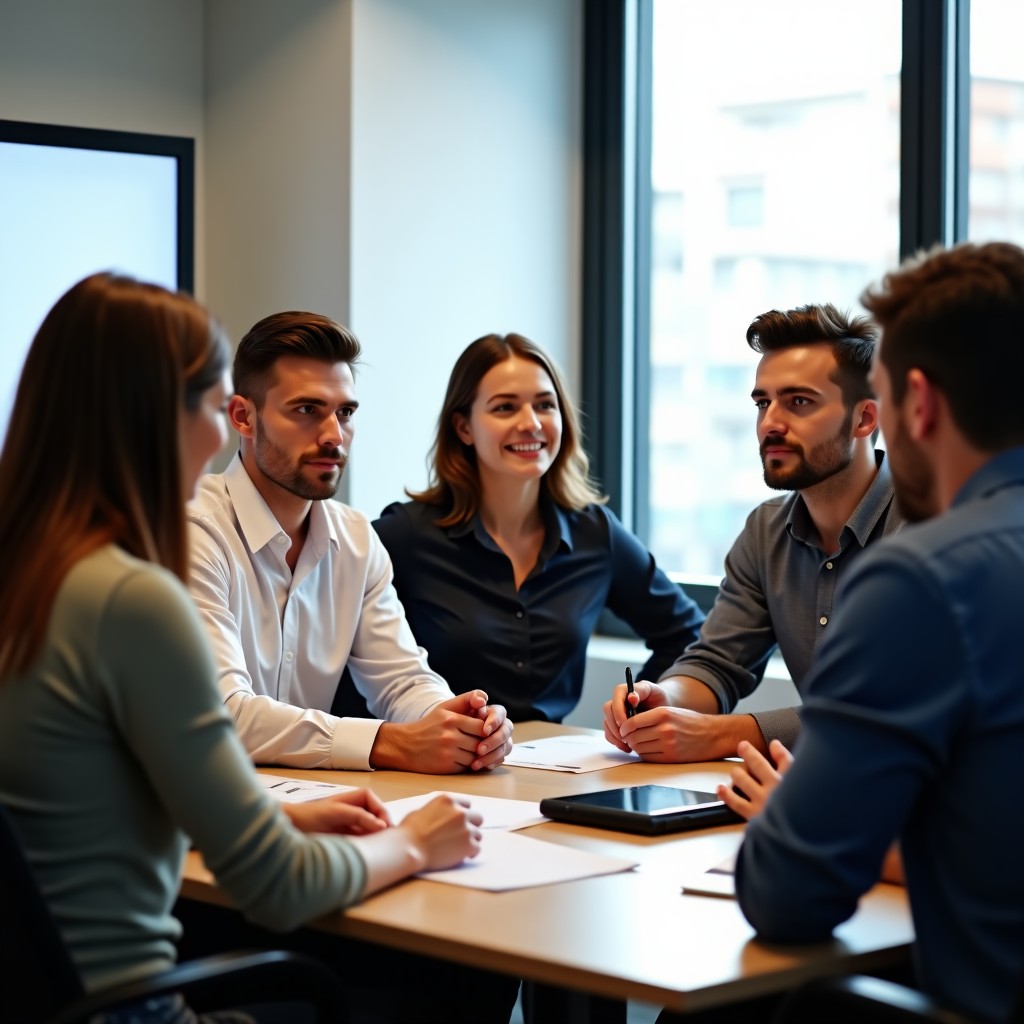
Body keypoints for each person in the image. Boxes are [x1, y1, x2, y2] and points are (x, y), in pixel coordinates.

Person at [0, 273, 488, 1023]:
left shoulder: (34, 574)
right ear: (155, 417)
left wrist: (275, 815)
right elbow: (278, 884)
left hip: (53, 1001)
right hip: (138, 1011)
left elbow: (89, 795)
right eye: (208, 403)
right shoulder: (132, 595)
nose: (214, 439)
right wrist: (419, 843)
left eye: (344, 412)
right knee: (440, 984)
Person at [734, 241, 1024, 1024]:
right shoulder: (770, 532)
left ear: (914, 405)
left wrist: (790, 814)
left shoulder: (925, 578)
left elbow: (789, 890)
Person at [187, 312, 514, 771]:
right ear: (244, 416)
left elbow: (402, 681)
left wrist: (458, 724)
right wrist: (391, 743)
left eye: (345, 413)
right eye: (306, 410)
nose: (333, 436)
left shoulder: (357, 540)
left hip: (306, 799)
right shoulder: (192, 532)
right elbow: (223, 713)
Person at [604, 303, 905, 761]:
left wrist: (722, 735)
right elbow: (718, 663)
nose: (770, 424)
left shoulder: (929, 528)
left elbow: (887, 705)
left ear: (864, 419)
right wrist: (666, 701)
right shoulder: (767, 530)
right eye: (763, 403)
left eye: (799, 402)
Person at [372, 332, 704, 724]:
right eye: (505, 408)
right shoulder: (403, 536)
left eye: (545, 405)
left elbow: (688, 635)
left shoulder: (595, 533)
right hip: (435, 760)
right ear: (463, 427)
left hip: (552, 759)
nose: (530, 423)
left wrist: (642, 704)